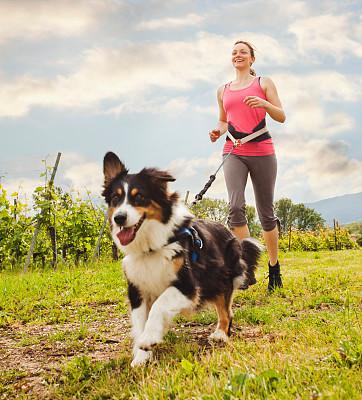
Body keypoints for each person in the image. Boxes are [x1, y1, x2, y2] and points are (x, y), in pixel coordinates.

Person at [209, 40, 286, 292]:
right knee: (235, 207)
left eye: (243, 52)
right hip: (233, 150)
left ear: (252, 58)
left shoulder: (263, 83)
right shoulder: (223, 90)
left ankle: (274, 267)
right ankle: (247, 267)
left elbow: (281, 116)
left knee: (266, 212)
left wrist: (264, 104)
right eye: (234, 52)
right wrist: (217, 131)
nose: (237, 55)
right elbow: (223, 120)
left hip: (262, 149)